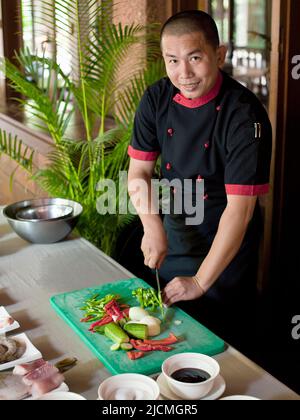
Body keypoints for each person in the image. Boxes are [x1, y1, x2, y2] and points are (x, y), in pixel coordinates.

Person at [127, 10, 272, 349]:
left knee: (223, 343)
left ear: (218, 55)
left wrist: (201, 282)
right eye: (172, 61)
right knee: (169, 335)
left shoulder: (244, 115)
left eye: (195, 58)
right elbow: (139, 173)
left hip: (226, 244)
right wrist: (152, 226)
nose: (184, 73)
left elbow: (240, 212)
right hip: (177, 230)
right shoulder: (156, 98)